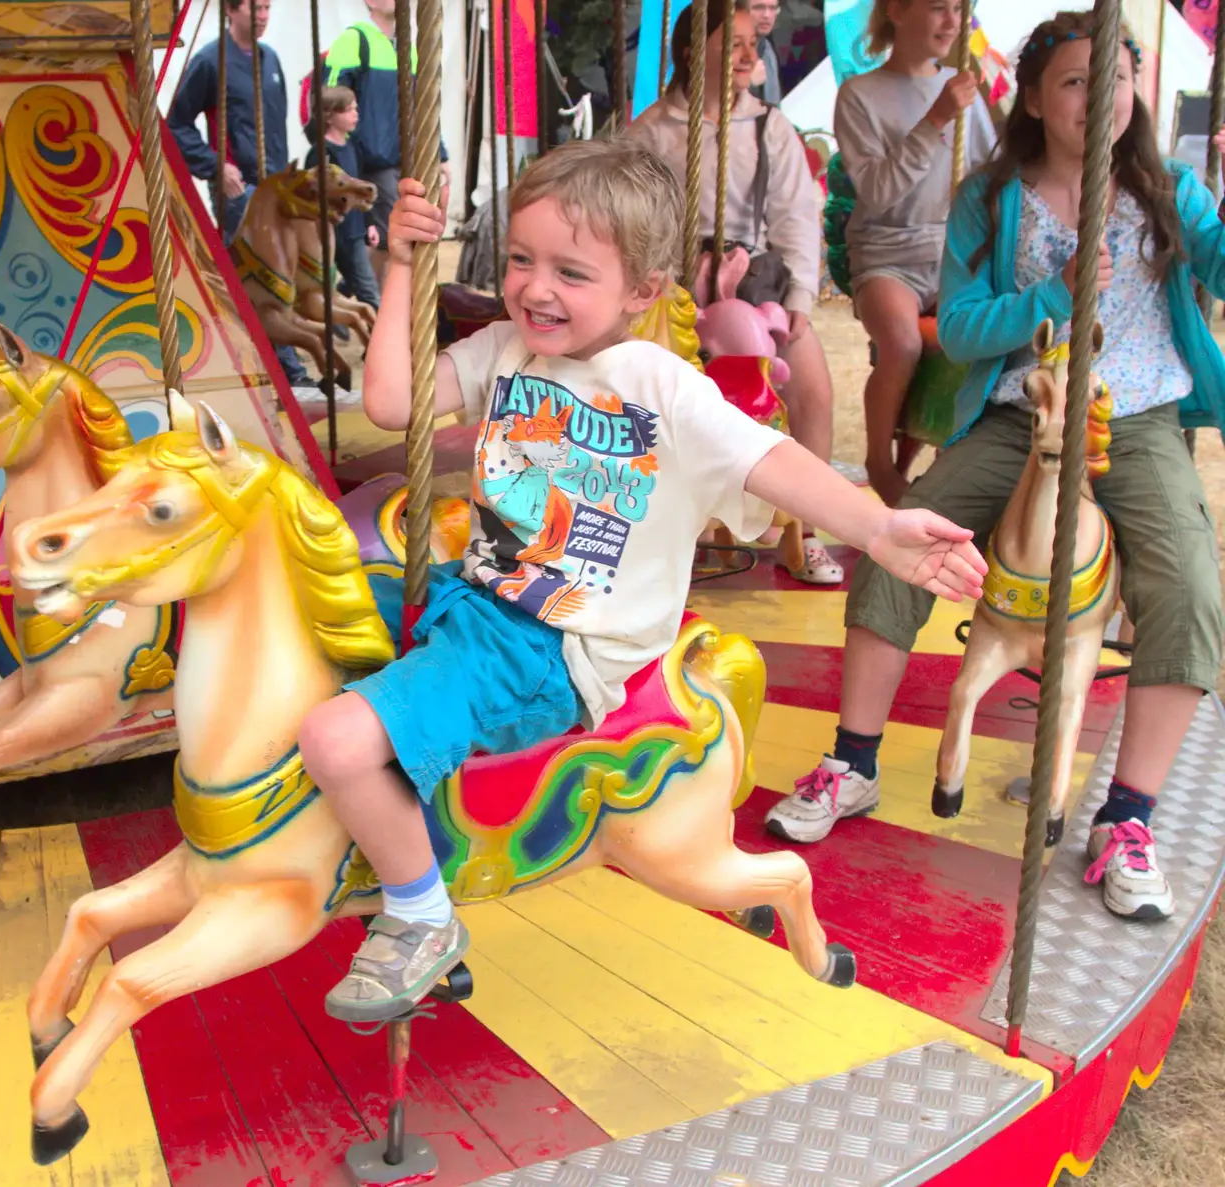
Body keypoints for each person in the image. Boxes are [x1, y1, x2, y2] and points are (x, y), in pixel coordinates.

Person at [298, 138, 989, 1023]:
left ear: (642, 291)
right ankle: (396, 838)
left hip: (552, 646)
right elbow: (391, 404)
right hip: (479, 601)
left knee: (335, 739)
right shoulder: (507, 349)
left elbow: (771, 459)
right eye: (520, 260)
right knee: (317, 604)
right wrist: (401, 267)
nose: (536, 288)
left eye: (571, 272)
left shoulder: (664, 387)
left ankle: (420, 917)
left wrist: (880, 526)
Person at [767, 11, 1225, 923]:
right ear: (1036, 99)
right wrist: (1052, 298)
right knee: (903, 532)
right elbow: (968, 326)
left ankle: (1126, 818)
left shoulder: (1173, 191)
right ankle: (853, 759)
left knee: (1191, 586)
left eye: (1116, 81)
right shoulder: (993, 195)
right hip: (1026, 415)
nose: (1099, 101)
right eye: (1073, 83)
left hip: (1133, 420)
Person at [628, 0, 842, 584]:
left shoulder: (770, 126)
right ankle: (661, 524)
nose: (751, 54)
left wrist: (797, 301)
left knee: (814, 391)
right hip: (676, 288)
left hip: (756, 285)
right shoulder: (652, 132)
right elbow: (631, 217)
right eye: (737, 43)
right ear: (696, 51)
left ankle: (807, 529)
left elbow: (797, 215)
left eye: (754, 43)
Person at [835, 0, 996, 505]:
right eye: (938, 8)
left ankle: (944, 460)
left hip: (953, 249)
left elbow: (992, 171)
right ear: (898, 12)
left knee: (975, 342)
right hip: (887, 251)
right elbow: (878, 191)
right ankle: (881, 464)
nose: (953, 22)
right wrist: (936, 119)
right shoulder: (859, 95)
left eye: (958, 10)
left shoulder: (966, 90)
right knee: (902, 343)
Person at [324, 0, 450, 280]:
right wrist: (347, 156)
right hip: (372, 164)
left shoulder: (409, 49)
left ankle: (367, 299)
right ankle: (372, 305)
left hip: (405, 161)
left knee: (402, 240)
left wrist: (439, 153)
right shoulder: (353, 41)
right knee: (388, 240)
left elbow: (424, 105)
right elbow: (328, 103)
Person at [167, 0, 288, 245]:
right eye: (255, 9)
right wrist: (216, 166)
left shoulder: (271, 59)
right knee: (247, 273)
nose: (264, 16)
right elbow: (176, 125)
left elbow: (277, 128)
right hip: (238, 188)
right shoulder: (210, 61)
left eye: (267, 8)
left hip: (275, 186)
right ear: (230, 10)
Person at [304, 86, 382, 311]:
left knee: (356, 277)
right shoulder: (320, 154)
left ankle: (336, 305)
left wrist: (369, 224)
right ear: (330, 116)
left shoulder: (353, 147)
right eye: (349, 110)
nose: (355, 114)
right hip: (336, 232)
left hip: (354, 230)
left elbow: (360, 189)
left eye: (355, 109)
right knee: (369, 293)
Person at [748, 0, 783, 103]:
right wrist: (748, 82)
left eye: (773, 8)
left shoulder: (768, 50)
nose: (766, 15)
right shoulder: (722, 49)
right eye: (759, 8)